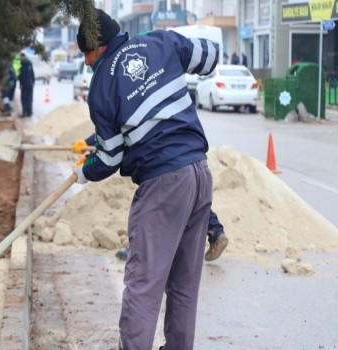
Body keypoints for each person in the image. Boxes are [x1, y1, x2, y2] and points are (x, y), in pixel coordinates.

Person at [73, 9, 218, 350]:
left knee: (144, 284)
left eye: (86, 54)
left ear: (98, 48)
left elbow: (110, 158)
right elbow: (210, 57)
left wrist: (83, 172)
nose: (85, 62)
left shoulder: (102, 86)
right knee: (184, 285)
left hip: (163, 186)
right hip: (198, 175)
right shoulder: (159, 41)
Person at [73, 138, 230, 262]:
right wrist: (88, 142)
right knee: (190, 196)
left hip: (159, 161)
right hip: (186, 153)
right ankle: (215, 231)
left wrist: (89, 161)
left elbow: (114, 131)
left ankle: (140, 250)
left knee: (150, 205)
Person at [18, 53, 35, 117]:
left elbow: (22, 75)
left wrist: (21, 84)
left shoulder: (22, 63)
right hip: (30, 84)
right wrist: (33, 81)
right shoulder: (30, 63)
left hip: (24, 84)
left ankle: (24, 112)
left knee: (24, 98)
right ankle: (29, 112)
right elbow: (32, 73)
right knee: (29, 98)